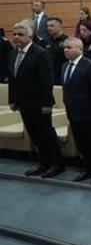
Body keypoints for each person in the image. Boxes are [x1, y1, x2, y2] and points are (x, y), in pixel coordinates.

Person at [10, 21, 65, 178]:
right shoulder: (14, 52)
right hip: (23, 102)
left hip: (40, 103)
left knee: (46, 133)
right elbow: (14, 78)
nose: (16, 37)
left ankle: (57, 164)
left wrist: (47, 103)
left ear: (30, 35)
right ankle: (43, 163)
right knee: (34, 133)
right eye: (14, 34)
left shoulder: (40, 53)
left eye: (20, 34)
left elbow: (47, 81)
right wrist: (13, 99)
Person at [61, 37, 91, 184]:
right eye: (64, 48)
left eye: (69, 47)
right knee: (81, 144)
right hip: (73, 113)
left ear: (79, 49)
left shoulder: (90, 65)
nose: (65, 50)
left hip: (89, 113)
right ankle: (89, 169)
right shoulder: (65, 66)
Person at [43, 17, 68, 85]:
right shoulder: (46, 41)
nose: (49, 28)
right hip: (49, 75)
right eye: (47, 26)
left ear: (59, 26)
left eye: (51, 26)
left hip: (61, 76)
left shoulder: (66, 41)